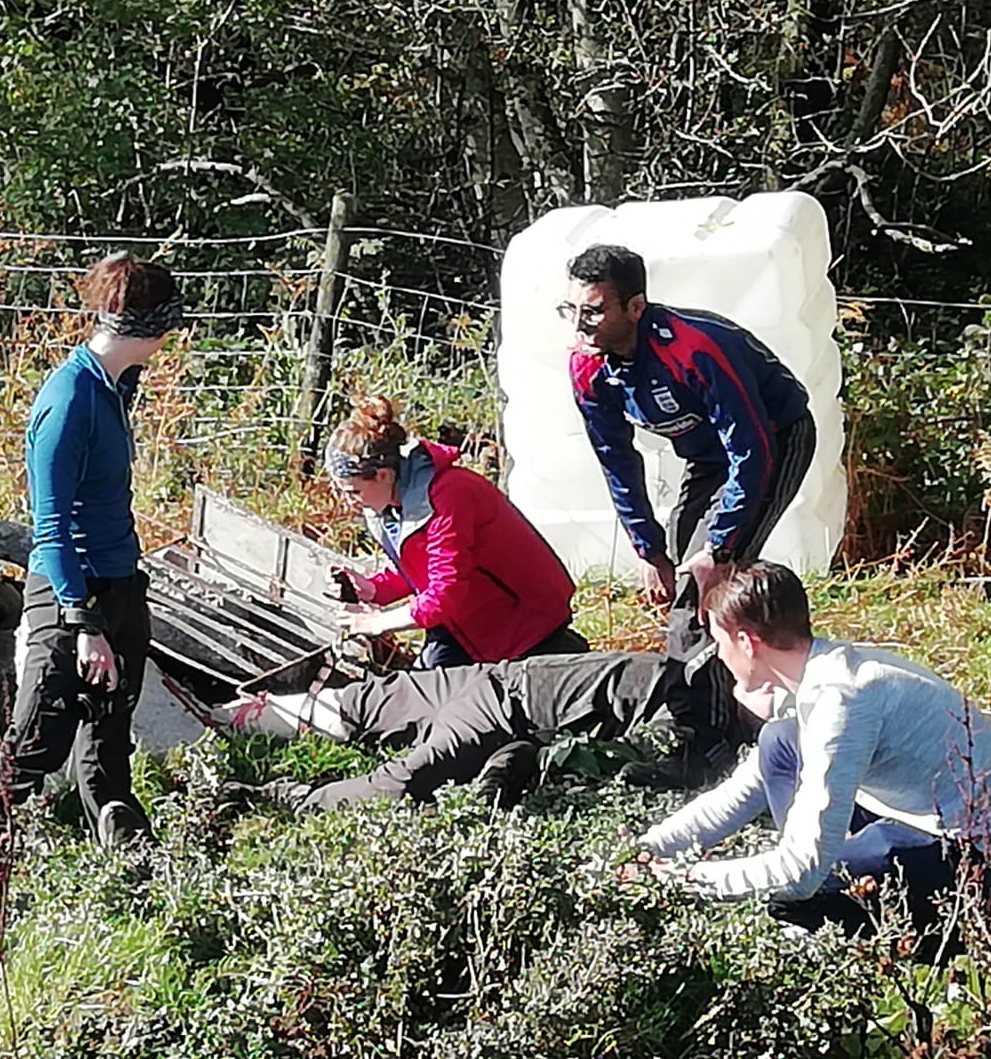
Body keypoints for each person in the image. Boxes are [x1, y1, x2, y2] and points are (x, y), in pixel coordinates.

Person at [630, 561, 991, 953]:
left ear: (746, 642)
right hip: (931, 824)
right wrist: (647, 849)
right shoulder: (821, 671)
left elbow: (800, 872)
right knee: (780, 742)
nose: (719, 657)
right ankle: (847, 877)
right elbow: (741, 792)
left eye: (720, 642)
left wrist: (685, 880)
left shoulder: (841, 702)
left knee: (788, 897)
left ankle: (982, 939)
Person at [0, 252, 186, 890]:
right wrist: (83, 622)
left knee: (109, 744)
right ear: (152, 327)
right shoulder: (68, 400)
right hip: (71, 598)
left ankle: (132, 877)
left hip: (120, 584)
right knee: (34, 748)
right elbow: (50, 524)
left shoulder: (115, 386)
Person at [564, 245, 817, 662]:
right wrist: (649, 550)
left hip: (775, 438)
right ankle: (733, 668)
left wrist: (719, 549)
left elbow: (751, 452)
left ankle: (707, 700)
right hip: (710, 457)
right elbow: (617, 463)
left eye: (592, 311)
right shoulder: (587, 367)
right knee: (681, 558)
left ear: (635, 307)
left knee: (704, 578)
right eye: (568, 309)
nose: (579, 326)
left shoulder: (694, 349)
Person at [210, 647, 738, 811]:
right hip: (502, 700)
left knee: (387, 741)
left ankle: (263, 773)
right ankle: (275, 780)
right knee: (392, 756)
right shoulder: (697, 712)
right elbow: (624, 764)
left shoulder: (695, 679)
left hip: (503, 688)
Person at [325, 396, 587, 668]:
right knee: (422, 698)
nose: (349, 502)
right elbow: (421, 570)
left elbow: (446, 591)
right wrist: (374, 589)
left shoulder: (450, 495)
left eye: (353, 491)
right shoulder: (391, 504)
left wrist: (379, 622)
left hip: (524, 626)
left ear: (383, 475)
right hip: (465, 625)